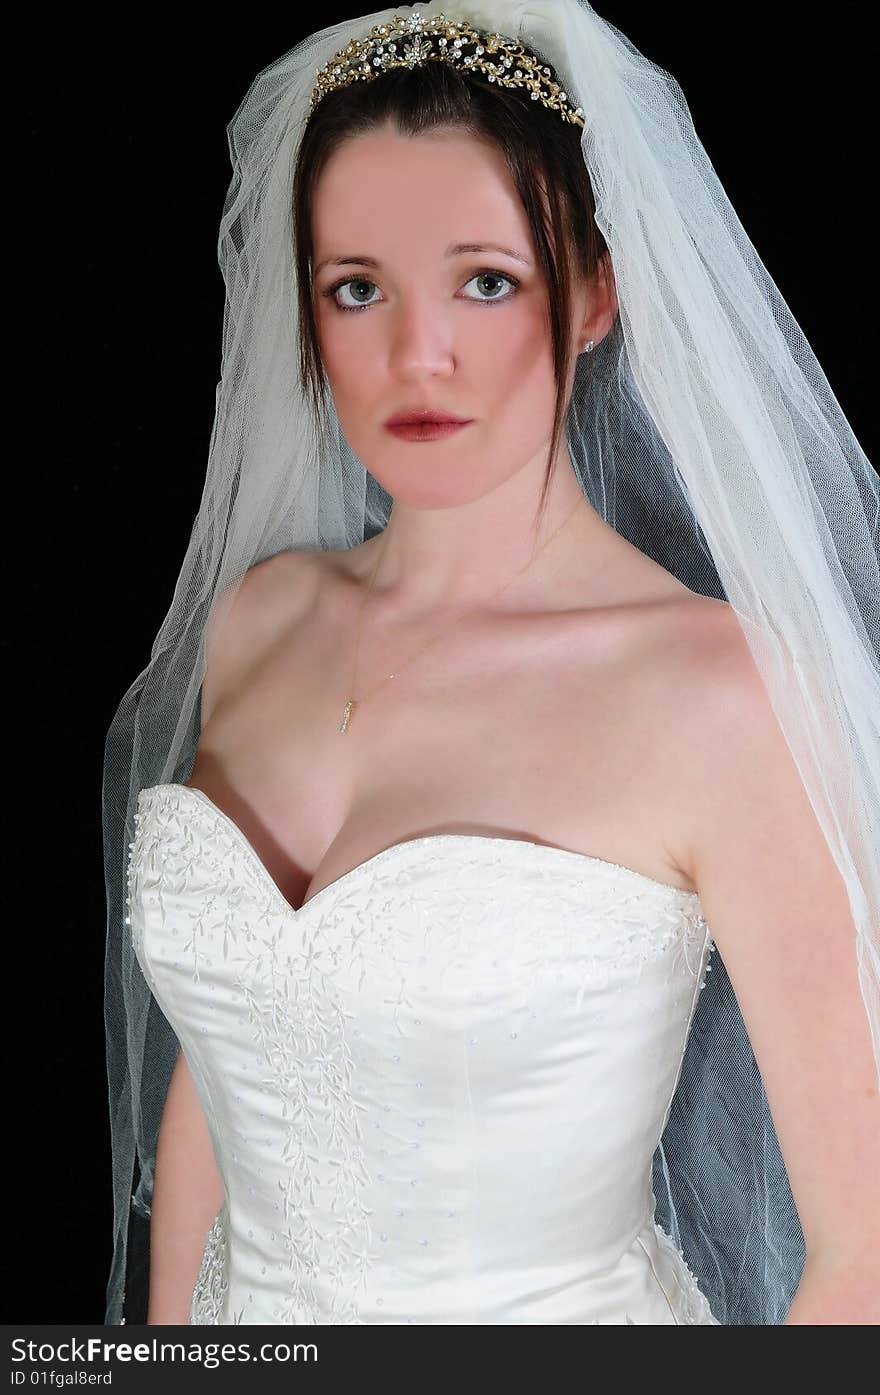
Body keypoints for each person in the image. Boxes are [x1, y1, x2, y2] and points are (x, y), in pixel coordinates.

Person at [104, 1, 880, 1326]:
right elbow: (219, 1089)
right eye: (359, 287)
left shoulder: (718, 693)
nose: (419, 354)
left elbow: (863, 1257)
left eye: (485, 279)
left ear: (591, 295)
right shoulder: (263, 619)